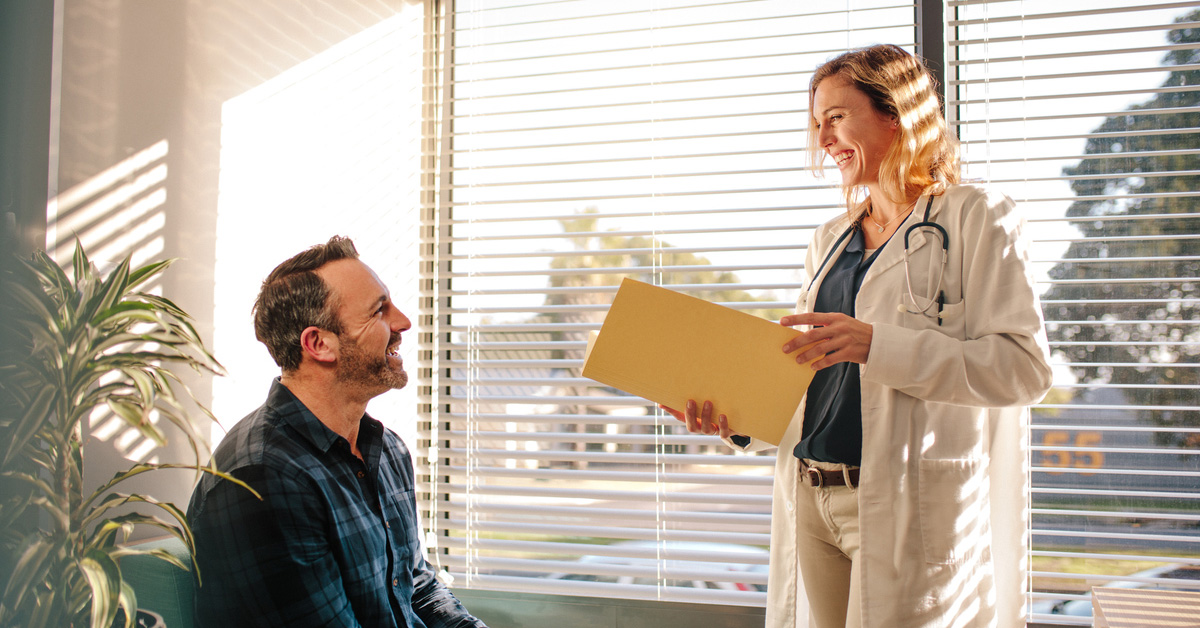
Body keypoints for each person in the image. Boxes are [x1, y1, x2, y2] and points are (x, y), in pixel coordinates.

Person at [665, 45, 1052, 627]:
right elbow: (820, 380)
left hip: (902, 503)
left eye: (837, 117)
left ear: (897, 114)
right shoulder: (830, 240)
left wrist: (878, 345)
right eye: (817, 122)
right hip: (811, 493)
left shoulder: (978, 216)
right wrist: (738, 416)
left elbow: (1023, 370)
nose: (824, 138)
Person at [187, 236, 487, 628]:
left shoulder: (386, 451)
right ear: (319, 344)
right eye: (379, 311)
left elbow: (416, 585)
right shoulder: (263, 478)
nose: (402, 322)